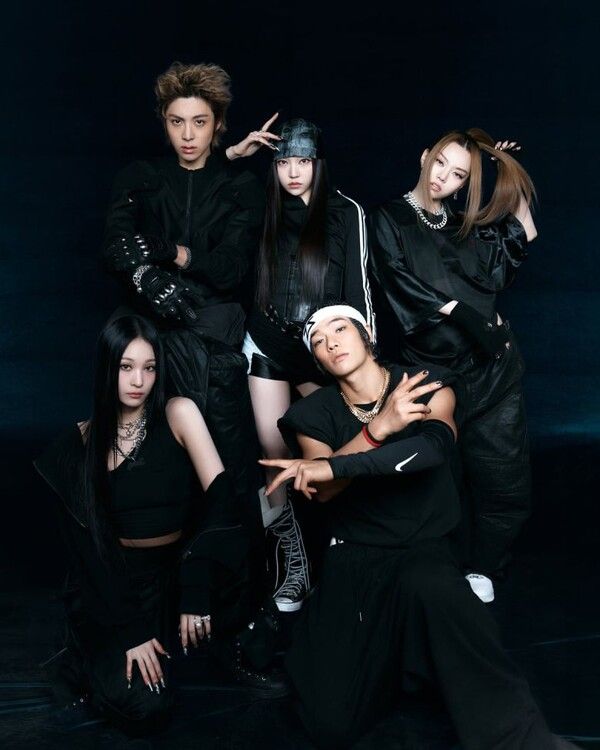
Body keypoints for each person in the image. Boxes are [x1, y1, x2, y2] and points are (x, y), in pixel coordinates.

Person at [261, 304, 578, 750]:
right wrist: (376, 430)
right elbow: (325, 491)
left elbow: (432, 449)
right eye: (318, 340)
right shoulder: (312, 414)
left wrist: (339, 460)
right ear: (316, 360)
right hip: (353, 556)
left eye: (340, 329)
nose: (331, 342)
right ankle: (403, 666)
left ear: (367, 335)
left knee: (438, 592)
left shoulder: (426, 382)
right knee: (330, 723)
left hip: (422, 552)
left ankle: (524, 741)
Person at [34, 316, 286, 737]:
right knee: (148, 708)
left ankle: (228, 646)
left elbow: (221, 499)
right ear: (107, 368)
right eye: (126, 367)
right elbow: (87, 557)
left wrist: (196, 587)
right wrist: (131, 632)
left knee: (242, 547)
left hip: (178, 571)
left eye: (149, 368)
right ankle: (82, 662)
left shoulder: (177, 412)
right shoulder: (79, 444)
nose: (139, 381)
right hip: (118, 585)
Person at [101, 61, 269, 548]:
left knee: (228, 458)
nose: (188, 135)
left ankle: (235, 568)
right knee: (141, 453)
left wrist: (169, 252)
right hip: (147, 332)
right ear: (164, 122)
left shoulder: (240, 187)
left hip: (212, 336)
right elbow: (115, 248)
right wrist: (145, 277)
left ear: (218, 124)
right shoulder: (140, 176)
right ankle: (139, 556)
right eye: (177, 122)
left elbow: (232, 269)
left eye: (199, 122)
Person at [368, 129, 536, 602]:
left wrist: (505, 172)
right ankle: (437, 566)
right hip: (434, 373)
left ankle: (484, 567)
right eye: (440, 162)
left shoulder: (467, 225)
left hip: (493, 370)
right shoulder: (389, 218)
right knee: (438, 473)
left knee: (502, 473)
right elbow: (396, 280)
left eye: (459, 174)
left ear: (465, 184)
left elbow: (523, 233)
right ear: (425, 155)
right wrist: (463, 314)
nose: (443, 177)